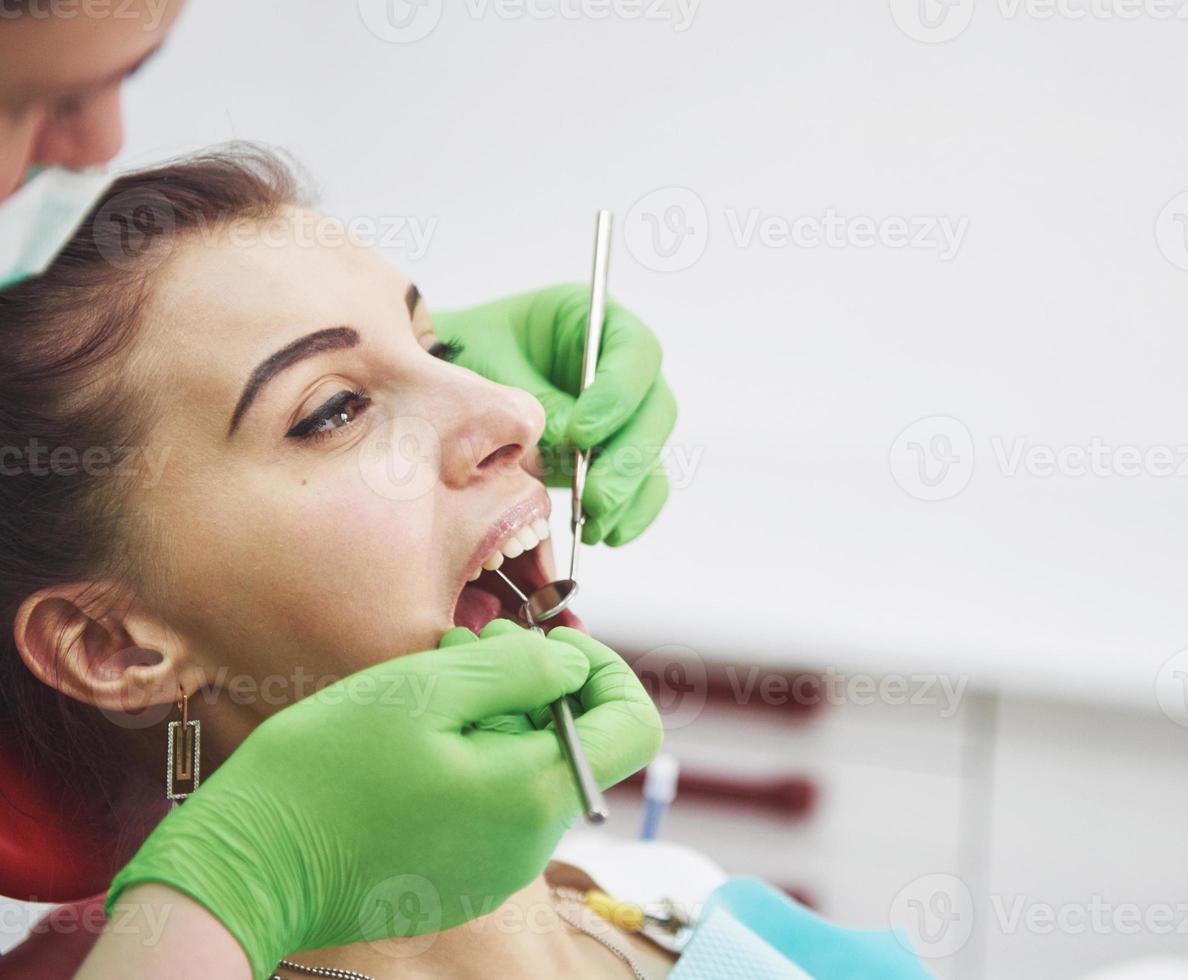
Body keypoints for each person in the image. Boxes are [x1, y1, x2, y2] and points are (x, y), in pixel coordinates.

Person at [0, 2, 679, 974]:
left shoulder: (687, 907)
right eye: (329, 411)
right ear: (115, 644)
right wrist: (254, 867)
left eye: (437, 342)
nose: (515, 412)